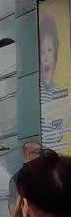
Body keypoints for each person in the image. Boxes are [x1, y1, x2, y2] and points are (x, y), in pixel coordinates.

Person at [39, 14, 69, 151]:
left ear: (55, 55)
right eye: (42, 51)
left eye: (49, 50)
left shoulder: (61, 94)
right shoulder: (33, 93)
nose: (45, 57)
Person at [9, 140, 42, 207]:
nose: (42, 156)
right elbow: (13, 205)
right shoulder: (17, 178)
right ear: (29, 154)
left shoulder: (45, 172)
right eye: (39, 153)